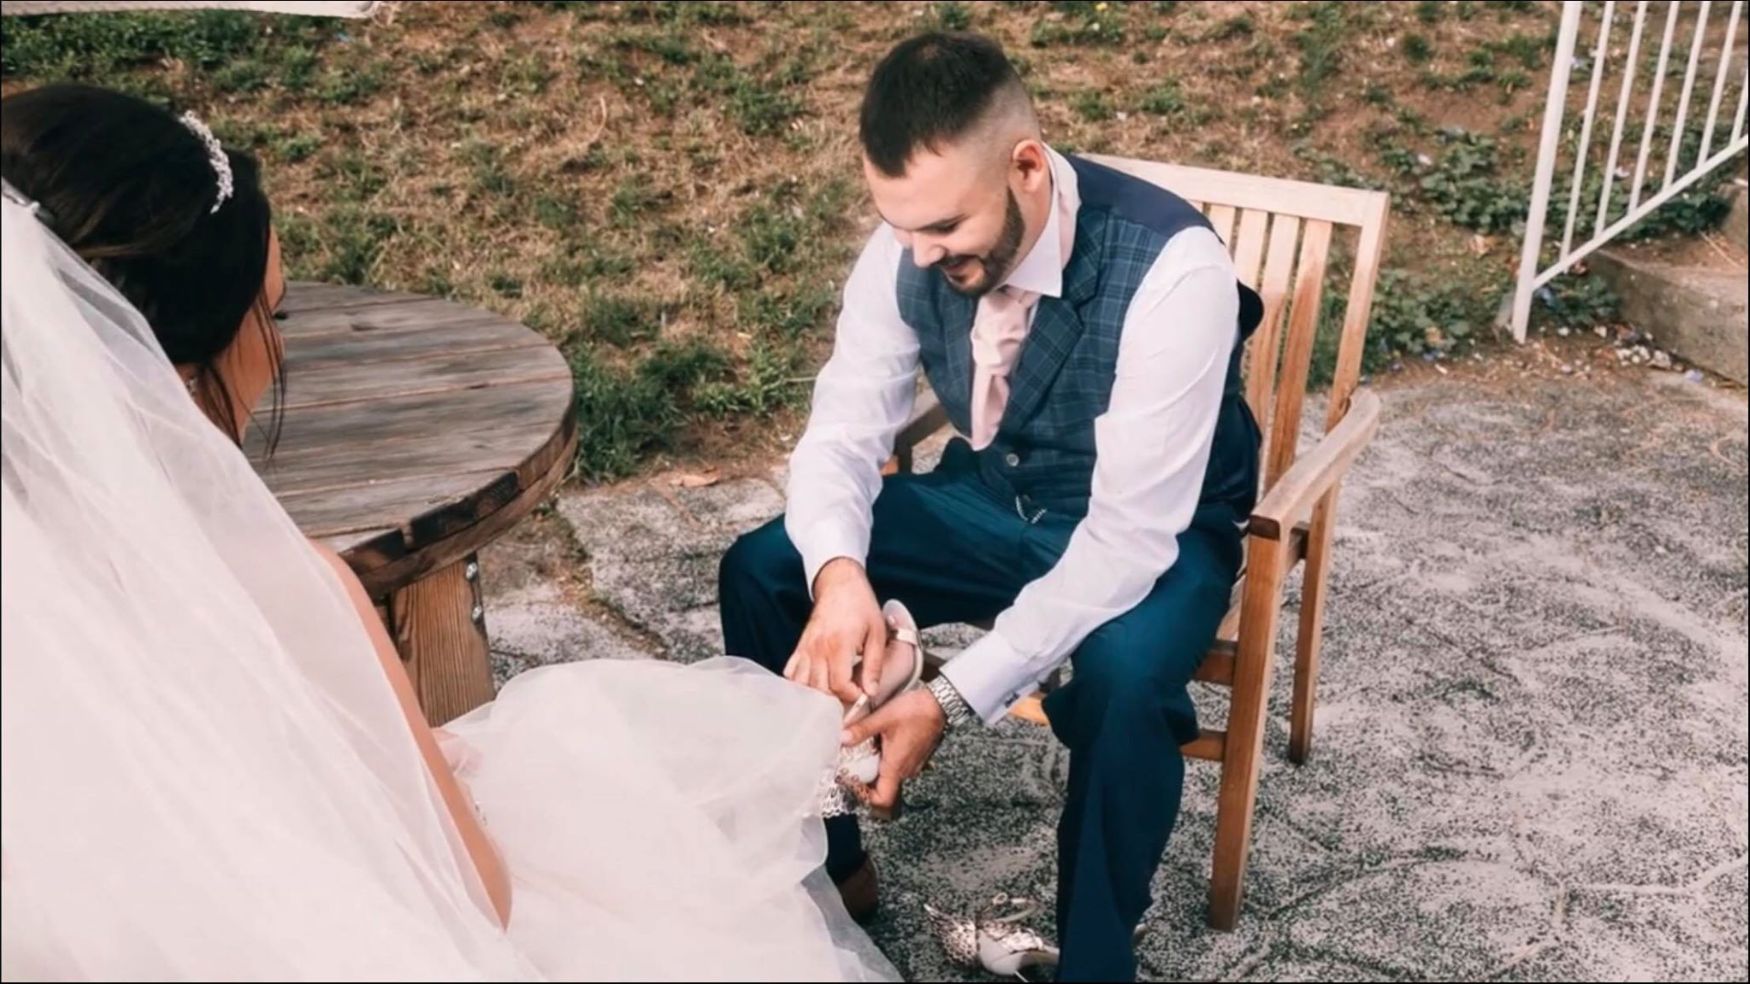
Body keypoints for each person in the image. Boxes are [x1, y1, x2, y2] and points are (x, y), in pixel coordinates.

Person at [0, 83, 896, 982]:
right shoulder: (274, 588)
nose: (277, 356)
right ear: (170, 357)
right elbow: (477, 894)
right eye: (270, 316)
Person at [719, 32, 1264, 981]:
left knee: (1125, 683)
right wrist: (840, 576)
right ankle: (834, 861)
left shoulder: (1176, 271)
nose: (921, 256)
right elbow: (843, 432)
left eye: (943, 230)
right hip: (990, 496)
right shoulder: (907, 245)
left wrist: (949, 695)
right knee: (764, 570)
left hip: (1151, 529)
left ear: (1024, 166)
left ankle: (1097, 958)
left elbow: (1128, 536)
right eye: (901, 229)